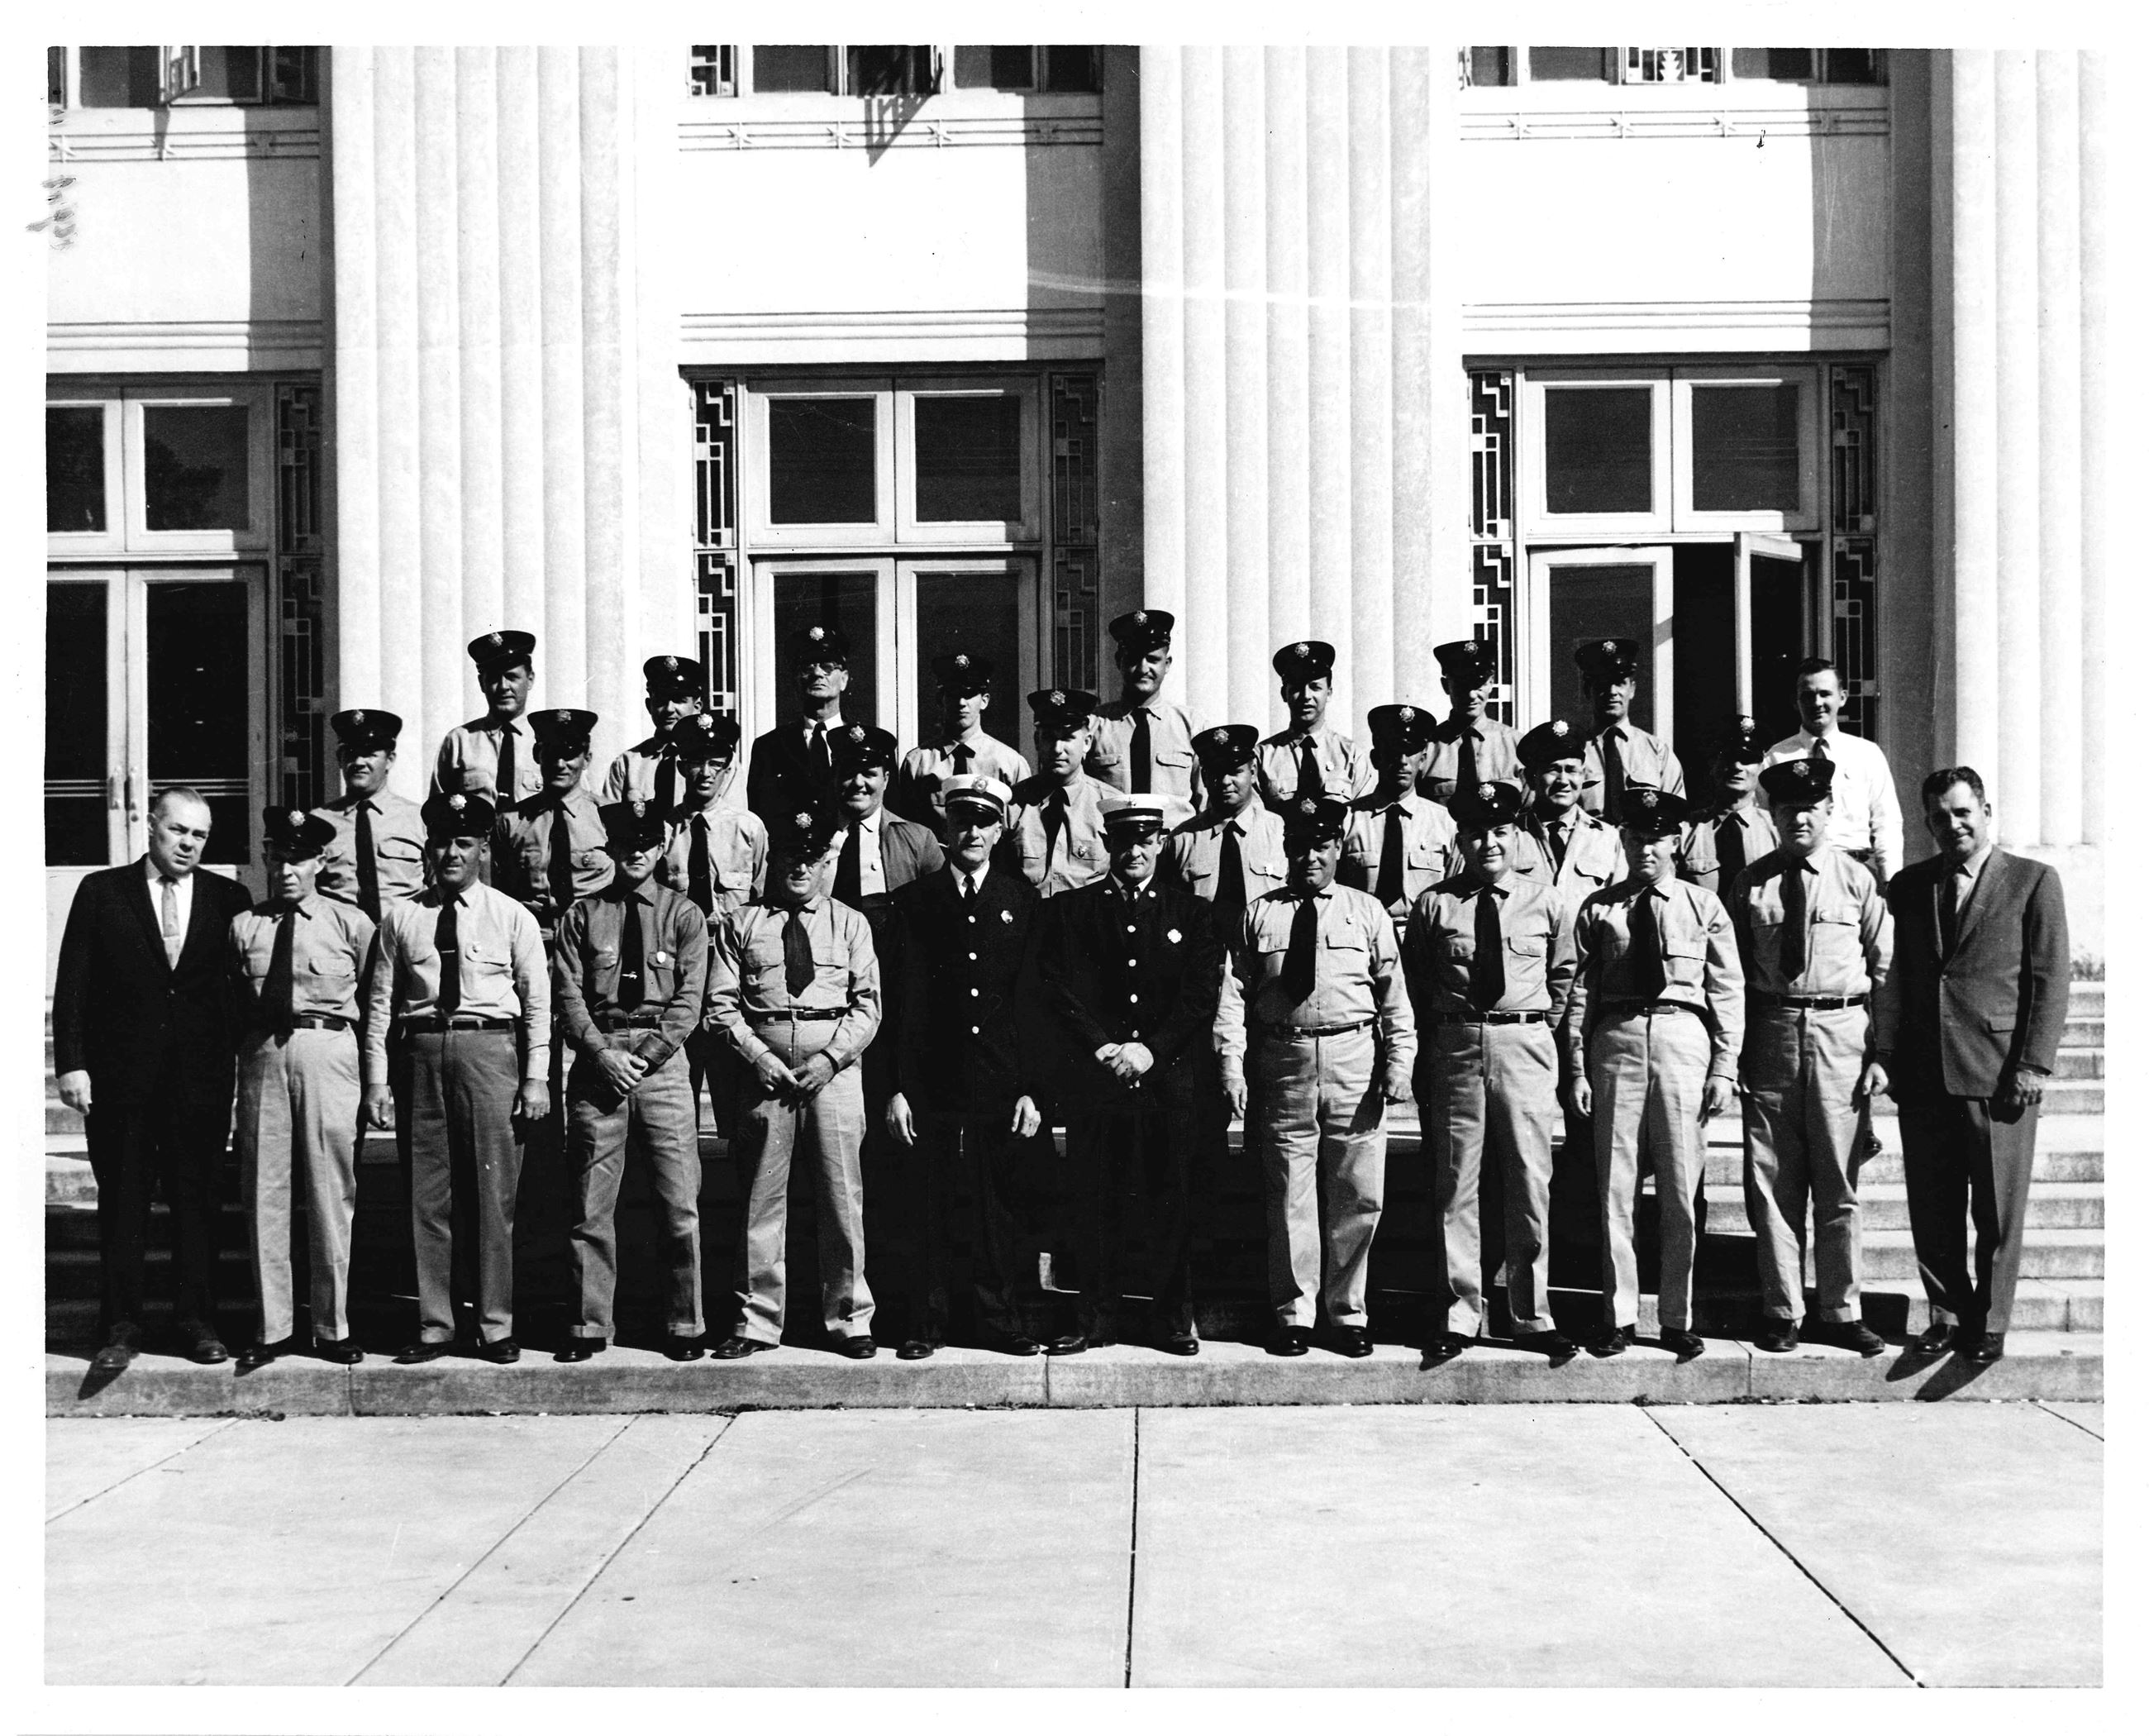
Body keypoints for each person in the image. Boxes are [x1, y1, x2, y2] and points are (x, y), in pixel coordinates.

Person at [53, 786, 255, 1370]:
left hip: (199, 1084)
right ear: (151, 826)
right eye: (178, 830)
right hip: (122, 1083)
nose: (188, 843)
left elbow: (238, 992)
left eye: (199, 835)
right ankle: (121, 1325)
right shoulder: (102, 892)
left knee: (198, 1205)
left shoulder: (229, 898)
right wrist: (72, 1063)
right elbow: (74, 984)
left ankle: (197, 1321)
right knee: (123, 1204)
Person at [1877, 766, 2069, 1366]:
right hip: (1925, 1072)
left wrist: (2033, 1064)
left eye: (1962, 812)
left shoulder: (2032, 881)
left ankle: (1990, 1321)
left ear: (1986, 811)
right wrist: (1890, 1056)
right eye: (1940, 817)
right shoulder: (1909, 886)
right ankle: (1947, 1313)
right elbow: (1897, 974)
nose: (1952, 825)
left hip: (1998, 1072)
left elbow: (2050, 979)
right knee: (1932, 1206)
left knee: (1996, 1210)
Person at [1217, 793, 1415, 1357]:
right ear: (1285, 849)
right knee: (1289, 1193)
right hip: (1285, 1060)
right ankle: (1294, 1314)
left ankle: (1348, 1313)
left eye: (1321, 846)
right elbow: (1233, 997)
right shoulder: (1260, 913)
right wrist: (1232, 1065)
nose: (1310, 857)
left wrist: (1399, 1062)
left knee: (1357, 1192)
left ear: (1338, 848)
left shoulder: (1366, 911)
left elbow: (1395, 997)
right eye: (1300, 846)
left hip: (1354, 1059)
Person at [361, 791, 550, 1364]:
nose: (451, 854)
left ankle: (495, 1325)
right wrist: (377, 1081)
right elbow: (380, 1005)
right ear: (428, 847)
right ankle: (435, 1325)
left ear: (483, 849)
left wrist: (536, 1077)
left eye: (463, 843)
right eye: (441, 842)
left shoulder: (511, 916)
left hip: (490, 1053)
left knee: (493, 1197)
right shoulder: (402, 918)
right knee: (428, 1196)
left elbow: (536, 1004)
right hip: (420, 1054)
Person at [1036, 794, 1223, 1355]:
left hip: (1166, 1080)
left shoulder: (1191, 913)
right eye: (1123, 841)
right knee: (1096, 1200)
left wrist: (1150, 1051)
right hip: (1098, 1081)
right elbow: (1058, 989)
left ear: (1161, 843)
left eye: (1145, 840)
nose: (1134, 851)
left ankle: (1171, 1319)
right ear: (1107, 843)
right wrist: (1103, 1047)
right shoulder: (1073, 911)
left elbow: (1199, 995)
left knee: (1170, 1201)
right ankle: (1095, 1317)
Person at [882, 774, 1059, 1359]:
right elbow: (901, 1002)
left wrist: (1033, 1089)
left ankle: (999, 1320)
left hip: (1000, 1079)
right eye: (963, 821)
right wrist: (898, 1088)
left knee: (998, 1205)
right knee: (927, 1201)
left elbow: (1033, 1002)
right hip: (933, 1079)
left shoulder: (1020, 900)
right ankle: (925, 1322)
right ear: (946, 827)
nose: (973, 833)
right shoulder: (916, 901)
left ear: (1000, 830)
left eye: (984, 822)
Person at [1565, 788, 1742, 1361]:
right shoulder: (1599, 908)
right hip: (1616, 1040)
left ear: (1676, 842)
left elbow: (1727, 990)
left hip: (1681, 1037)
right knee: (1615, 1188)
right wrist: (1577, 1067)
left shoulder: (1703, 907)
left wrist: (1724, 1068)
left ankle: (1675, 1317)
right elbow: (1581, 994)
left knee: (1680, 1187)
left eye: (1658, 839)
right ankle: (1617, 1315)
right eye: (1637, 838)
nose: (1647, 849)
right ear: (1623, 840)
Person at [1404, 780, 1578, 1363]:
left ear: (1517, 836)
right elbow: (1417, 981)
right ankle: (1460, 1313)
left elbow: (1564, 976)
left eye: (1500, 831)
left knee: (1529, 1179)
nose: (1489, 844)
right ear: (1460, 840)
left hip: (1524, 1044)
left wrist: (1535, 1028)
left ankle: (1532, 1314)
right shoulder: (1436, 904)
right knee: (1457, 1183)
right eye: (1477, 834)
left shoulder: (1547, 901)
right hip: (1456, 1045)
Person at [705, 800, 882, 1359]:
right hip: (766, 1077)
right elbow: (720, 1006)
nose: (800, 868)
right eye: (789, 857)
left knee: (842, 1198)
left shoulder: (850, 923)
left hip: (834, 1074)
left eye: (811, 858)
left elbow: (868, 1006)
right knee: (761, 1202)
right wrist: (758, 1057)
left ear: (826, 862)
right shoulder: (742, 923)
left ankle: (850, 1317)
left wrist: (830, 1060)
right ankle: (756, 1322)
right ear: (772, 861)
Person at [1727, 756, 1891, 1356]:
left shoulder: (1856, 879)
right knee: (1772, 1180)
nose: (1800, 818)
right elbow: (1732, 974)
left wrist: (1881, 1052)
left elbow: (1886, 969)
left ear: (1828, 810)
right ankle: (1782, 1309)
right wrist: (1734, 1053)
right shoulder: (1751, 885)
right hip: (1772, 1032)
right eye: (1788, 809)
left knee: (1838, 1180)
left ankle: (1841, 1310)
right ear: (1772, 815)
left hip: (1842, 1033)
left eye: (1811, 808)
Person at [553, 799, 711, 1363]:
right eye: (626, 843)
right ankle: (588, 1324)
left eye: (646, 843)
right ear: (611, 849)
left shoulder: (684, 914)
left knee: (679, 1202)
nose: (636, 852)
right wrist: (602, 1054)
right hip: (600, 1061)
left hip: (661, 1066)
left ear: (662, 847)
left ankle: (685, 1322)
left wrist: (643, 1057)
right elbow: (568, 995)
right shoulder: (582, 915)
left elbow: (689, 1001)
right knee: (590, 1204)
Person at [227, 807, 377, 1370]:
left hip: (327, 1051)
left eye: (299, 859)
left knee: (329, 1190)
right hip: (263, 1055)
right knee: (264, 1189)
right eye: (278, 858)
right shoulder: (246, 926)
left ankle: (331, 1327)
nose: (287, 870)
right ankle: (273, 1327)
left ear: (320, 862)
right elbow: (230, 1004)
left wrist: (375, 1077)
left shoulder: (350, 923)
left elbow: (377, 1001)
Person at [656, 711, 767, 1139]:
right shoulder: (664, 830)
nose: (705, 773)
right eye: (695, 762)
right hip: (679, 971)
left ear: (729, 766)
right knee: (678, 1088)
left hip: (731, 971)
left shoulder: (748, 829)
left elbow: (761, 905)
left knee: (735, 1087)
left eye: (715, 763)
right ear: (681, 765)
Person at [1762, 656, 1904, 885]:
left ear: (1843, 697)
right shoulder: (1777, 758)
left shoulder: (1866, 754)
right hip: (1797, 873)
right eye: (1808, 695)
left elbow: (1886, 822)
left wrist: (1890, 880)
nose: (1817, 703)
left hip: (1856, 872)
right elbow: (1765, 823)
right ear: (1795, 702)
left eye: (1825, 694)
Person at [1340, 703, 1459, 932]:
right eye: (1393, 750)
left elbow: (1455, 897)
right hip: (1361, 935)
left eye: (1411, 751)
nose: (1403, 760)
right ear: (1376, 758)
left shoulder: (1444, 824)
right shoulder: (1348, 820)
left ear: (1423, 759)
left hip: (1424, 938)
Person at [491, 708, 609, 937]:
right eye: (552, 753)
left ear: (587, 759)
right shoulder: (511, 822)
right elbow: (499, 895)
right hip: (535, 940)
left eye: (570, 754)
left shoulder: (608, 817)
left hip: (593, 939)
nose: (560, 764)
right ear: (538, 754)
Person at [890, 650, 1030, 829]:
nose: (961, 702)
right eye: (954, 694)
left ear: (984, 701)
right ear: (941, 699)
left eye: (969, 694)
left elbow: (1022, 833)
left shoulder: (1009, 763)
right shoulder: (918, 763)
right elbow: (907, 830)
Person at [1165, 724, 1289, 921]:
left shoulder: (1280, 832)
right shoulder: (1181, 840)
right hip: (1204, 939)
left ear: (1253, 772)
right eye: (1216, 772)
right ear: (1204, 777)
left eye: (1235, 771)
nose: (1225, 781)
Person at [312, 708, 426, 918]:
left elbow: (438, 888)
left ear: (390, 760)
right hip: (339, 934)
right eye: (351, 754)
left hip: (402, 933)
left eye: (369, 754)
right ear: (339, 759)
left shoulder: (419, 819)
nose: (358, 763)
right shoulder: (318, 821)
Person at [1001, 689, 1113, 897]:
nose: (1057, 749)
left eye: (1068, 738)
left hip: (1086, 916)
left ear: (1087, 743)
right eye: (1049, 738)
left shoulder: (1108, 806)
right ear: (1037, 741)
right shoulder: (1012, 805)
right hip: (1028, 914)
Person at [1086, 609, 1202, 810]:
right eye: (1133, 659)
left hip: (1174, 830)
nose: (1143, 669)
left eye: (1153, 659)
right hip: (1112, 830)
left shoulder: (1191, 725)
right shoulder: (1094, 725)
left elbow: (1208, 802)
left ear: (1167, 664)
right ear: (1118, 662)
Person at [746, 623, 853, 823]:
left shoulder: (865, 743)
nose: (817, 673)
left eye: (827, 667)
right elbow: (758, 818)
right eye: (807, 667)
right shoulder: (769, 747)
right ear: (796, 680)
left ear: (844, 680)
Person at [1573, 638, 1684, 823]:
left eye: (1619, 683)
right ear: (1587, 691)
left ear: (1632, 689)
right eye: (1603, 683)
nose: (1612, 691)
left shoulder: (1657, 752)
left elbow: (1674, 816)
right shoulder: (1573, 752)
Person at [1512, 718, 1623, 902]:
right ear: (1531, 778)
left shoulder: (1607, 838)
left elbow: (1619, 907)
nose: (1563, 781)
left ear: (1583, 775)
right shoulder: (1511, 835)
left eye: (1571, 770)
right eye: (1553, 770)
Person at [1256, 640, 1375, 807]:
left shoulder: (1352, 756)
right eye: (1297, 688)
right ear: (1284, 694)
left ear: (1329, 693)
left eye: (1315, 687)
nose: (1306, 696)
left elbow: (1362, 817)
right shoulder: (1262, 757)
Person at [435, 630, 542, 805]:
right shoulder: (459, 741)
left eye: (512, 677)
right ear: (481, 683)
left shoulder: (549, 739)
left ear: (530, 680)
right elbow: (438, 811)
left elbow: (575, 804)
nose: (503, 687)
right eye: (493, 678)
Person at [1679, 716, 1778, 896]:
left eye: (1747, 759)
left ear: (1760, 768)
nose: (1737, 766)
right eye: (1729, 757)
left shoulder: (1776, 830)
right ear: (1713, 764)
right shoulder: (1685, 830)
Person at [1420, 638, 1521, 806]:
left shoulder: (1516, 745)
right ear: (1446, 686)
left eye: (1478, 685)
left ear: (1491, 683)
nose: (1471, 695)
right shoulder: (1427, 747)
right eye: (1462, 686)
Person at [599, 655, 707, 808]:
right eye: (661, 700)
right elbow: (609, 818)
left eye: (679, 700)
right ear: (649, 706)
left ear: (697, 707)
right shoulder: (627, 763)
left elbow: (733, 818)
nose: (669, 709)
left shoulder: (718, 763)